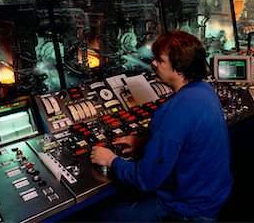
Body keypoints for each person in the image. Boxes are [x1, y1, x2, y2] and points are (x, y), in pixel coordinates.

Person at [90, 30, 233, 222]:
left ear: (180, 69)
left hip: (187, 210)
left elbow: (146, 180)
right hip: (214, 197)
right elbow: (186, 137)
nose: (154, 63)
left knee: (102, 215)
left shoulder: (173, 112)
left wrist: (111, 160)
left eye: (160, 60)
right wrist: (147, 141)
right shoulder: (204, 90)